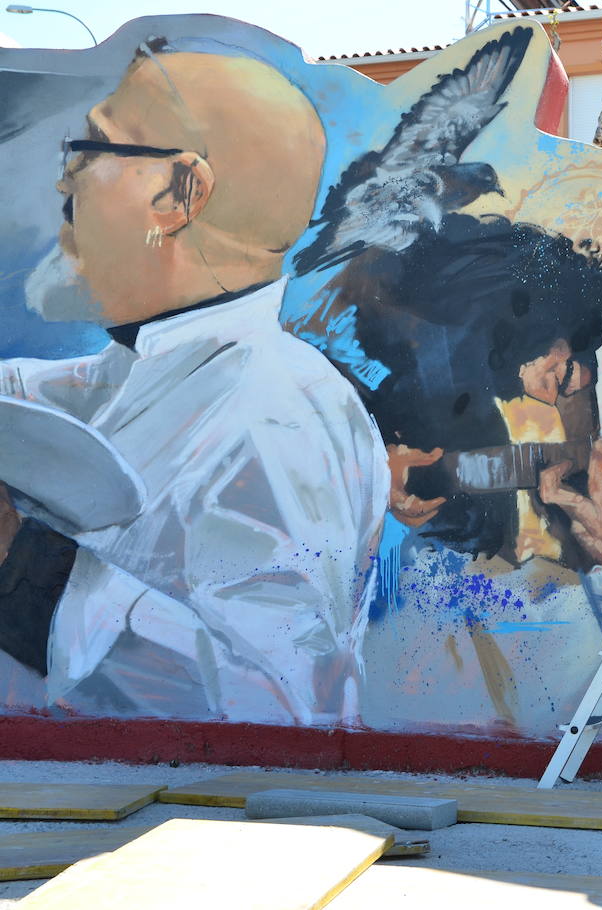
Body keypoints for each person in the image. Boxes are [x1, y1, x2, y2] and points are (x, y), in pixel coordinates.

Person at [0, 44, 389, 723]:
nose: (66, 184)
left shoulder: (275, 416)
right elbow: (74, 395)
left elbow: (276, 707)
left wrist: (22, 561)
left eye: (89, 151)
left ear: (181, 192)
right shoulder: (159, 366)